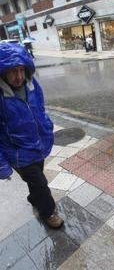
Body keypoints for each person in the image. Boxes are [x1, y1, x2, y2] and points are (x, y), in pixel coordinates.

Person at [0, 43, 64, 228]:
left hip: (37, 146)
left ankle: (33, 197)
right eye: (13, 71)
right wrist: (2, 165)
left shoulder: (31, 84)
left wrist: (46, 123)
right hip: (19, 154)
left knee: (36, 181)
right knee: (41, 183)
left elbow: (40, 107)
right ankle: (47, 213)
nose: (19, 76)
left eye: (21, 69)